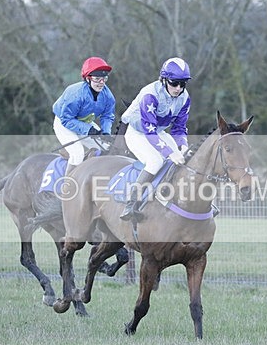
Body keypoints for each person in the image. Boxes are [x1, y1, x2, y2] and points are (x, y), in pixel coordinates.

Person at [119, 56, 192, 221]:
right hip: (137, 133)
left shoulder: (185, 98)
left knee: (185, 159)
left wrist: (183, 146)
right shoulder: (149, 95)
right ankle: (131, 204)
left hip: (158, 131)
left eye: (183, 83)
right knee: (155, 161)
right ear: (164, 80)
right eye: (174, 83)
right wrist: (168, 153)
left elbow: (179, 128)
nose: (179, 88)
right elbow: (149, 131)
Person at [52, 57, 116, 177]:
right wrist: (89, 130)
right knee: (77, 153)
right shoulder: (75, 94)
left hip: (84, 121)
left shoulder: (108, 96)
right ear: (87, 78)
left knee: (106, 147)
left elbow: (107, 116)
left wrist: (106, 132)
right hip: (64, 122)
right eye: (97, 79)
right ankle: (67, 187)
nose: (101, 83)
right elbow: (67, 120)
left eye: (104, 79)